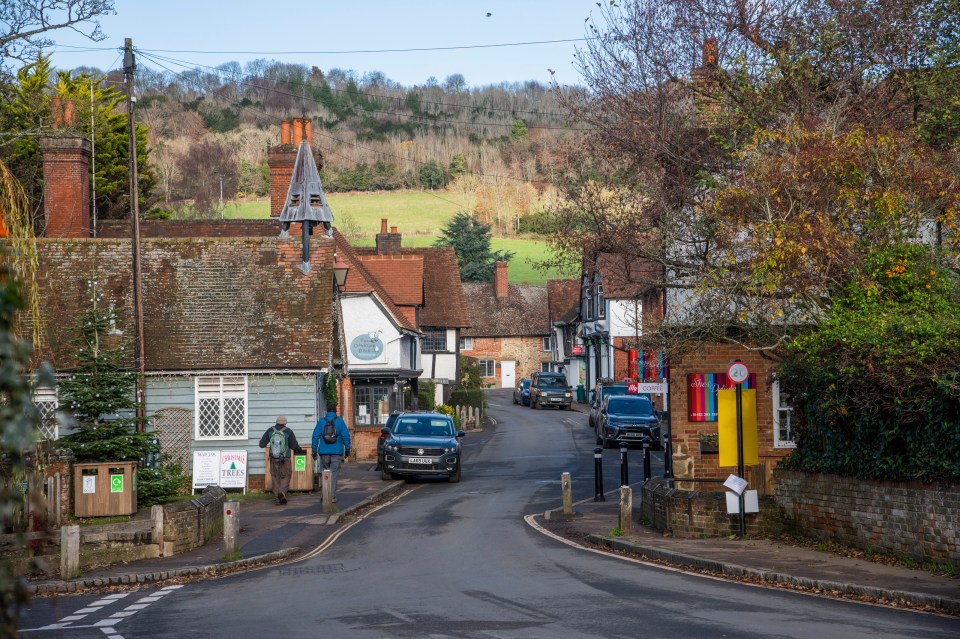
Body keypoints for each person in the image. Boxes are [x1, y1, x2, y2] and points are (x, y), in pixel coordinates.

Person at [258, 416, 305, 505]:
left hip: (273, 458)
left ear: (276, 422)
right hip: (285, 458)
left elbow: (261, 444)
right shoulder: (288, 431)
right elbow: (294, 446)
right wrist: (300, 451)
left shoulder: (270, 430)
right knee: (286, 475)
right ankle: (282, 492)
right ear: (285, 423)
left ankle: (276, 498)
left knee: (275, 477)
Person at [312, 402, 351, 502]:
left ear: (327, 412)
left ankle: (325, 495)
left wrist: (314, 450)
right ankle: (332, 497)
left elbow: (315, 436)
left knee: (325, 473)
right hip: (336, 452)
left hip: (323, 452)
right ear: (336, 411)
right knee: (333, 474)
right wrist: (347, 450)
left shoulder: (321, 422)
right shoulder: (340, 421)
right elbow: (346, 436)